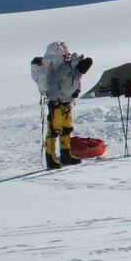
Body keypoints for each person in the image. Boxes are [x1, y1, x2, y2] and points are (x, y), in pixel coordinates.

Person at [31, 41, 93, 170]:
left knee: (66, 128)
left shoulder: (75, 70)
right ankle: (51, 159)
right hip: (57, 102)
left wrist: (76, 91)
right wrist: (53, 99)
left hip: (66, 101)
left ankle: (66, 155)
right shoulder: (66, 68)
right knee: (54, 130)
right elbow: (52, 81)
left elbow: (77, 81)